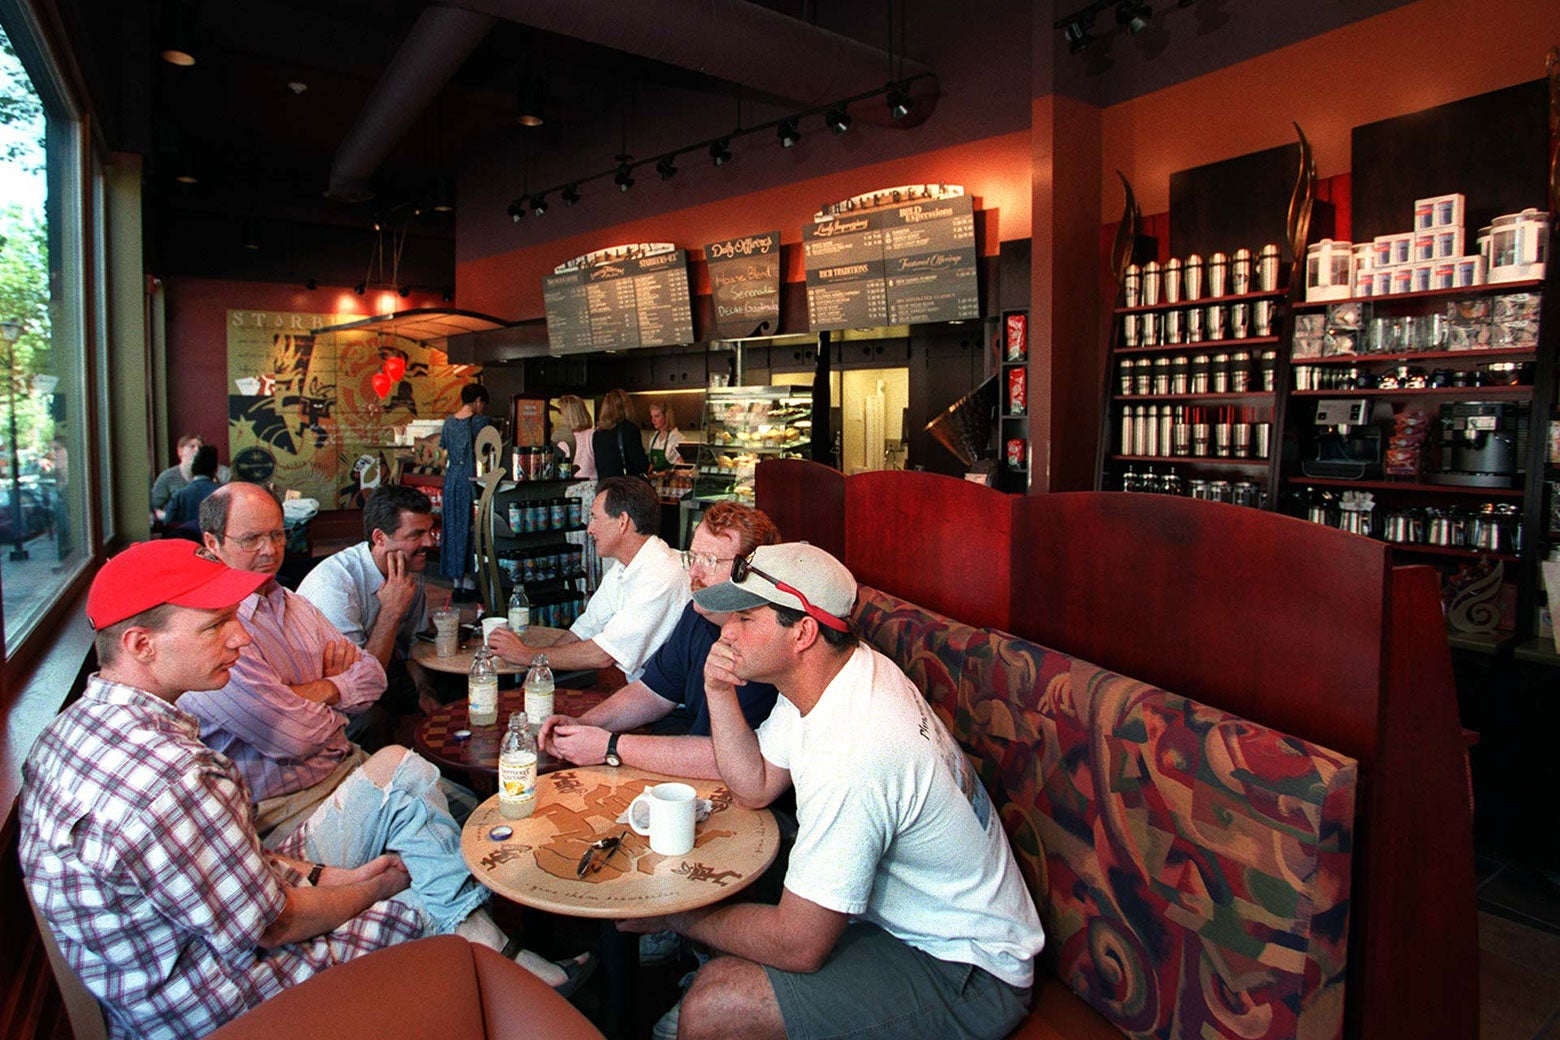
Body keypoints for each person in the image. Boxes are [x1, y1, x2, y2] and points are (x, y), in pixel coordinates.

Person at [18, 542, 588, 1040]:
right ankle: (499, 984)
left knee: (407, 789)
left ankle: (507, 964)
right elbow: (277, 925)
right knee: (430, 899)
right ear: (142, 644)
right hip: (220, 1005)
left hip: (155, 984)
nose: (241, 636)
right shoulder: (174, 777)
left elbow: (225, 871)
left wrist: (330, 878)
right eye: (216, 624)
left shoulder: (65, 734)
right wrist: (376, 886)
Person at [620, 543, 1046, 1040]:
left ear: (802, 632)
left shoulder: (854, 747)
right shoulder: (832, 677)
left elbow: (799, 945)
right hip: (906, 926)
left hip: (967, 969)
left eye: (746, 618)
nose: (725, 631)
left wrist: (676, 915)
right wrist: (719, 692)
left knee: (716, 1005)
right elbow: (755, 784)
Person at [179, 482, 393, 840]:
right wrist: (339, 695)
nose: (270, 550)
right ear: (213, 544)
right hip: (280, 809)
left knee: (454, 805)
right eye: (252, 539)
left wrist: (297, 694)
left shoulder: (296, 604)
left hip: (346, 768)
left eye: (277, 534)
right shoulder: (210, 628)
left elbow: (374, 677)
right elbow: (292, 737)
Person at [539, 501, 781, 779]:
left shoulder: (763, 642)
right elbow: (653, 692)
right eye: (693, 558)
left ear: (748, 572)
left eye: (710, 562)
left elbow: (727, 761)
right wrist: (585, 724)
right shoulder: (698, 613)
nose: (694, 573)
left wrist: (610, 746)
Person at [488, 475, 686, 683]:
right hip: (647, 693)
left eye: (595, 517)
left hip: (673, 708)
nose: (590, 528)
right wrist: (536, 668)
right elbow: (586, 628)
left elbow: (602, 655)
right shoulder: (624, 566)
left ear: (622, 522)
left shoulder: (662, 574)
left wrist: (525, 654)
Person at [296, 485, 437, 715]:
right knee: (373, 719)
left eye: (429, 531)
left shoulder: (408, 569)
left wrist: (424, 691)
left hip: (379, 670)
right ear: (379, 538)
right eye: (416, 535)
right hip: (327, 696)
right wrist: (391, 611)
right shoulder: (335, 585)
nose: (430, 543)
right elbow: (357, 681)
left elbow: (414, 645)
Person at [439, 383, 490, 594]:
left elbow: (443, 453)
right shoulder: (480, 422)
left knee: (452, 527)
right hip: (470, 481)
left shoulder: (449, 422)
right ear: (478, 400)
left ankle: (456, 580)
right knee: (471, 528)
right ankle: (469, 578)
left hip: (451, 481)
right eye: (483, 403)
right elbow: (487, 452)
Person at [554, 394, 600, 590]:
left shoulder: (563, 439)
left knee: (575, 544)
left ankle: (577, 588)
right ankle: (591, 587)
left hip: (573, 495)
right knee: (591, 543)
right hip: (590, 494)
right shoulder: (593, 435)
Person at [591, 388, 649, 480]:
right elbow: (640, 464)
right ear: (627, 407)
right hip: (624, 486)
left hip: (605, 487)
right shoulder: (629, 429)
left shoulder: (597, 434)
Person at [162, 443, 220, 530]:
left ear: (193, 469)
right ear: (215, 469)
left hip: (186, 540)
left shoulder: (179, 495)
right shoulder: (223, 492)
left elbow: (168, 525)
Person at [150, 432, 202, 523]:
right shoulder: (167, 477)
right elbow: (154, 507)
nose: (197, 450)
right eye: (192, 446)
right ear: (180, 451)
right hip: (176, 528)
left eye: (200, 448)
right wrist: (169, 517)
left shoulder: (213, 476)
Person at [647, 400, 685, 472]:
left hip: (671, 482)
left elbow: (683, 468)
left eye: (657, 416)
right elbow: (652, 464)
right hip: (655, 482)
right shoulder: (653, 439)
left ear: (666, 417)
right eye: (652, 416)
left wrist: (665, 474)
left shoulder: (677, 439)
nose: (653, 420)